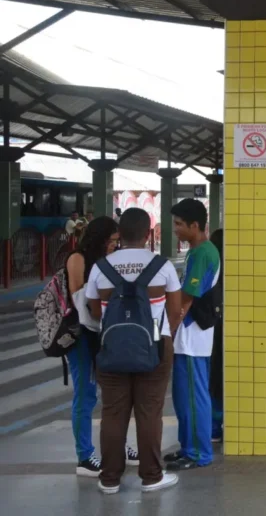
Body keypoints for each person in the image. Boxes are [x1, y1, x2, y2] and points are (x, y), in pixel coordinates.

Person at [86, 208, 181, 494]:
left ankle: (110, 479)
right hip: (154, 346)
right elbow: (175, 311)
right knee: (149, 412)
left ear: (120, 234)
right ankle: (151, 476)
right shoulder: (162, 266)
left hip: (111, 348)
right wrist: (165, 336)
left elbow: (93, 312)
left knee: (113, 413)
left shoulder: (100, 267)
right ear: (148, 233)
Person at [65, 216, 140, 477]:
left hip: (105, 333)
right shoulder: (78, 259)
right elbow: (78, 300)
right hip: (82, 335)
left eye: (116, 242)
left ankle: (119, 446)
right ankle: (84, 457)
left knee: (115, 394)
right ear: (99, 239)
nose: (113, 246)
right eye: (110, 241)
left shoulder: (106, 262)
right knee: (85, 395)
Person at [164, 198, 220, 471]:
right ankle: (188, 447)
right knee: (184, 396)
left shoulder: (202, 253)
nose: (174, 229)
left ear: (195, 225)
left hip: (192, 335)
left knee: (193, 396)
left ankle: (198, 452)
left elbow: (187, 296)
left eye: (178, 224)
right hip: (191, 336)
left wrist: (171, 325)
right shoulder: (197, 251)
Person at [208, 228, 224, 444]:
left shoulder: (211, 267)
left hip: (212, 327)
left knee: (214, 375)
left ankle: (214, 427)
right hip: (236, 328)